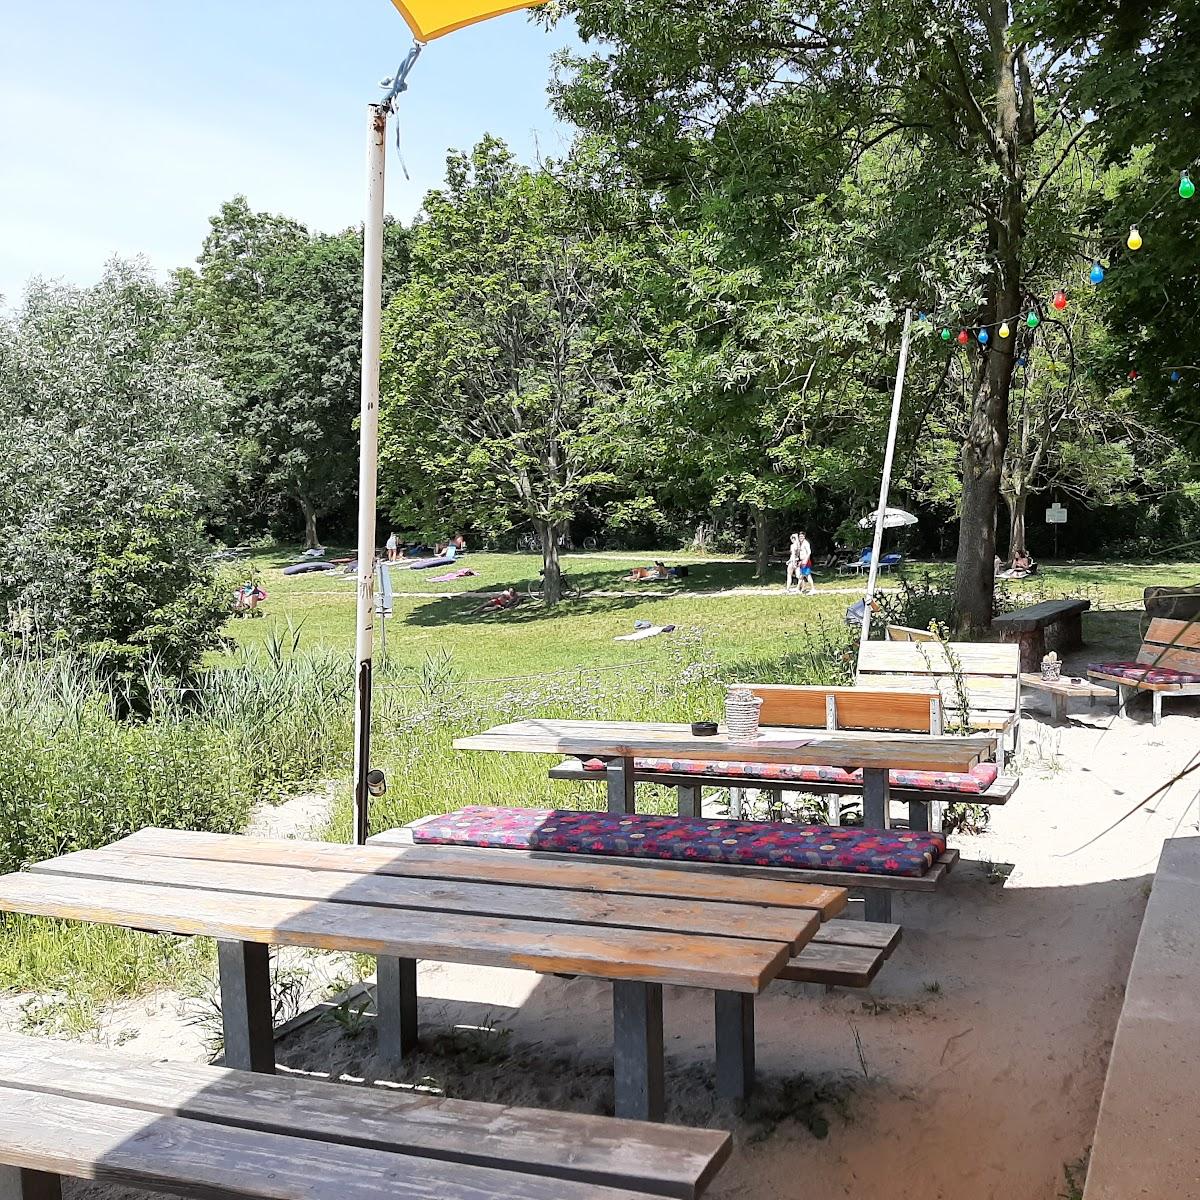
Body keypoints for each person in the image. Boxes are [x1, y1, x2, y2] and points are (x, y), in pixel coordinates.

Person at [796, 531, 816, 595]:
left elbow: (809, 552)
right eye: (799, 536)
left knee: (807, 575)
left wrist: (805, 560)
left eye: (802, 536)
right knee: (801, 575)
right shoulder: (801, 543)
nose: (800, 538)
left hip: (806, 561)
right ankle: (797, 589)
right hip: (802, 561)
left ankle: (813, 589)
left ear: (804, 537)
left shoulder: (806, 543)